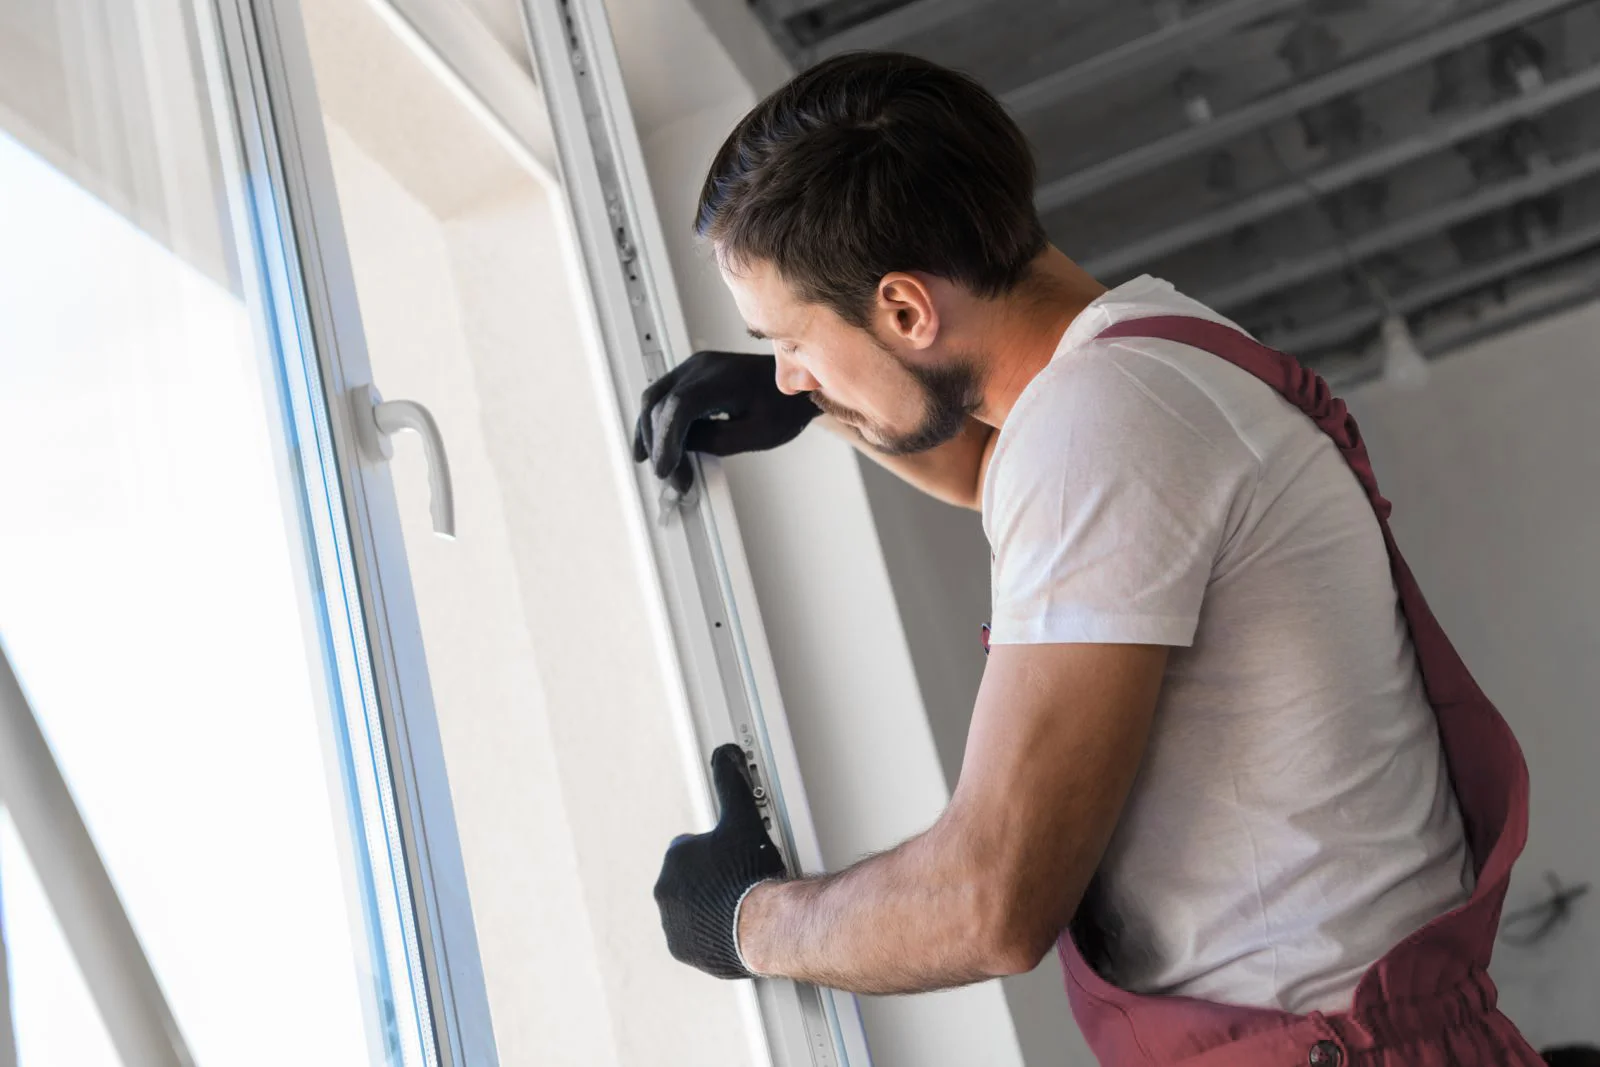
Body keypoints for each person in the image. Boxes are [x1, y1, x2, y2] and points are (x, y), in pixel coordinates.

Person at [640, 52, 1540, 1065]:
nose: (788, 370)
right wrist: (825, 396)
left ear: (903, 310)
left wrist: (748, 920)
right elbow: (1005, 471)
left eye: (789, 337)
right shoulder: (1153, 358)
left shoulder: (1097, 426)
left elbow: (993, 897)